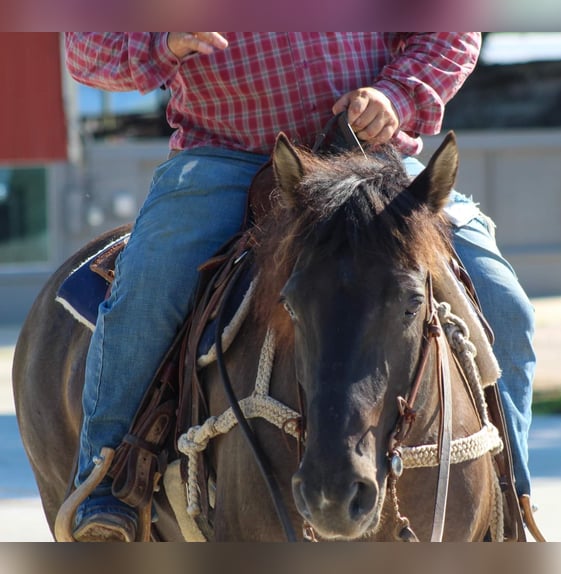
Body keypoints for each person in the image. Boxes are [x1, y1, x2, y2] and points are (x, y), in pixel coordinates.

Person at [64, 32, 536, 542]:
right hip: (229, 160)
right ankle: (106, 480)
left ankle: (509, 505)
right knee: (149, 292)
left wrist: (396, 95)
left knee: (502, 302)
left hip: (371, 159)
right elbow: (87, 47)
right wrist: (165, 41)